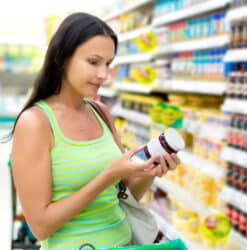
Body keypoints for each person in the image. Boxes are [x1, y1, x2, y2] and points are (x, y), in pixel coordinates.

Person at [8, 12, 180, 249]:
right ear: (62, 58)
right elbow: (41, 226)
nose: (104, 75)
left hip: (124, 243)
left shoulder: (101, 113)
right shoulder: (35, 123)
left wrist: (148, 171)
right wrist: (108, 175)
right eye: (93, 62)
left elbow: (124, 195)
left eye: (108, 64)